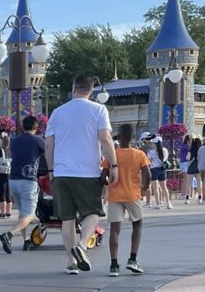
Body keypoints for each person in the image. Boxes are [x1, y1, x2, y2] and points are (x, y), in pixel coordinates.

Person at [44, 76, 117, 275]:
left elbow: (49, 144)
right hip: (88, 172)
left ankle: (71, 263)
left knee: (67, 219)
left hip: (62, 172)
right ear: (91, 91)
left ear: (73, 88)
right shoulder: (99, 109)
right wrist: (114, 165)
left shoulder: (58, 112)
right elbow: (105, 138)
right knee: (93, 212)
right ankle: (83, 246)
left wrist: (51, 171)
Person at [105, 124, 149, 277]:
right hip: (133, 194)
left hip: (115, 196)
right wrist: (143, 189)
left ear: (119, 136)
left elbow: (102, 176)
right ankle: (133, 259)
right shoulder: (140, 154)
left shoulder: (113, 155)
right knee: (137, 225)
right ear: (134, 138)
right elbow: (148, 174)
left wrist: (108, 184)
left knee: (115, 230)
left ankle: (113, 265)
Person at [0, 115, 46, 254]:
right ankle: (10, 234)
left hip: (13, 179)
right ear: (36, 127)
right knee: (30, 215)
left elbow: (5, 146)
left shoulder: (15, 140)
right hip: (28, 180)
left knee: (22, 213)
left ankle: (26, 241)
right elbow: (47, 154)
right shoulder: (38, 140)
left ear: (22, 127)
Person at [146, 138, 172, 210]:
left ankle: (158, 204)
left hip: (154, 169)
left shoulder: (151, 152)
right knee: (164, 187)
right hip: (162, 169)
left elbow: (149, 161)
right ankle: (168, 203)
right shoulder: (165, 150)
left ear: (154, 144)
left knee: (155, 188)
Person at [0, 134, 12, 218]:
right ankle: (8, 213)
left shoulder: (1, 151)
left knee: (2, 193)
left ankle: (2, 213)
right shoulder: (10, 151)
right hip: (8, 173)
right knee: (8, 193)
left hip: (1, 174)